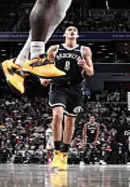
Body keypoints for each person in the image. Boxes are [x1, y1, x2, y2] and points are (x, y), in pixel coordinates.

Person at [44, 26, 94, 171]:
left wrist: (85, 66)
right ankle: (57, 152)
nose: (72, 31)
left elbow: (91, 72)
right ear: (64, 34)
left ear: (77, 35)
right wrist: (43, 78)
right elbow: (45, 67)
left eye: (74, 30)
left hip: (76, 88)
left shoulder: (84, 50)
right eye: (69, 30)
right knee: (57, 115)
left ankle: (64, 155)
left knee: (70, 122)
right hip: (58, 86)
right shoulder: (54, 49)